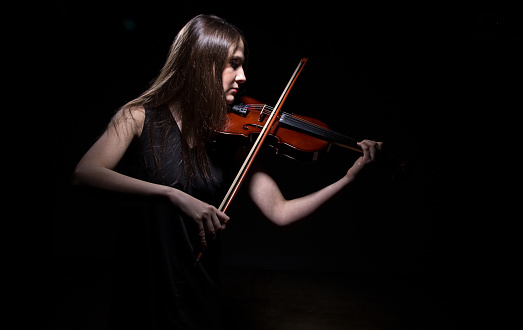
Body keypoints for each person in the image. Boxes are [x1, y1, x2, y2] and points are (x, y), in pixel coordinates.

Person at [72, 14, 382, 329]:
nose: (243, 76)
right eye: (233, 64)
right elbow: (86, 173)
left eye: (243, 64)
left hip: (196, 287)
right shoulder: (137, 118)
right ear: (199, 63)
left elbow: (280, 211)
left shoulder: (230, 142)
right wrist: (172, 195)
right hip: (142, 284)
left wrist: (348, 179)